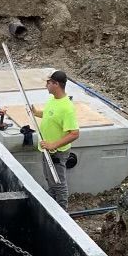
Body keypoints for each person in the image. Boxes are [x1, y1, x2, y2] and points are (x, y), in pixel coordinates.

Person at [31, 71, 79, 211]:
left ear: (56, 84)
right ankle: (51, 205)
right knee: (49, 179)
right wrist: (36, 113)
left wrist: (53, 144)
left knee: (59, 183)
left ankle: (62, 212)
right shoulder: (53, 100)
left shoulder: (67, 108)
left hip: (56, 152)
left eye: (49, 82)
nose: (46, 85)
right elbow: (49, 114)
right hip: (47, 149)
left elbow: (74, 133)